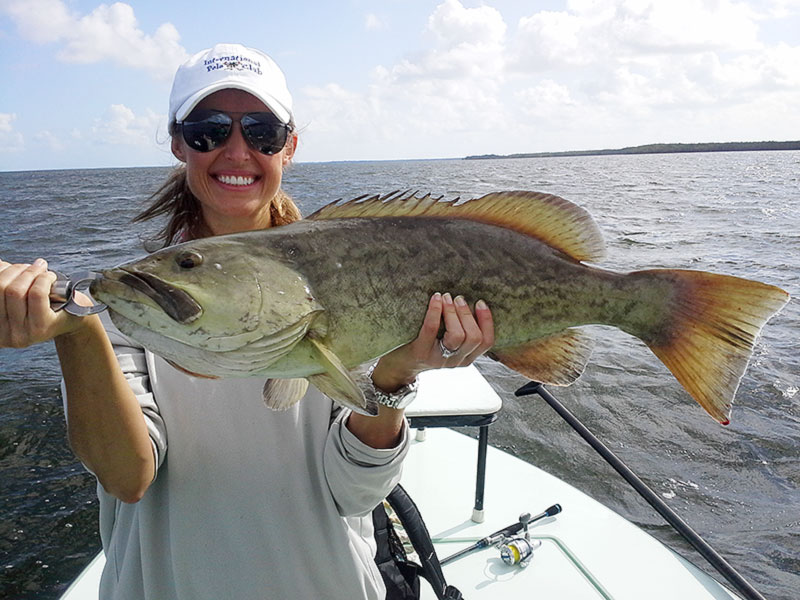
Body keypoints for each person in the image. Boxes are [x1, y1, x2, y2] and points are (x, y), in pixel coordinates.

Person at [0, 43, 494, 599]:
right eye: (208, 130)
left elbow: (356, 494)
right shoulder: (136, 306)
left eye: (262, 132)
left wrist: (395, 377)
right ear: (179, 143)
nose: (237, 151)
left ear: (289, 147)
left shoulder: (350, 283)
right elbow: (126, 477)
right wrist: (77, 333)